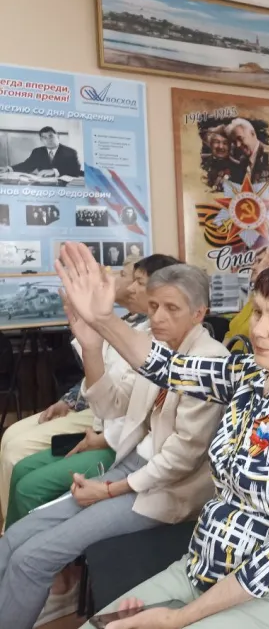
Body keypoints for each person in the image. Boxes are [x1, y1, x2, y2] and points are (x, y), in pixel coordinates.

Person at [52, 243, 269, 629]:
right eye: (258, 311)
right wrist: (103, 319)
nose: (258, 328)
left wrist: (179, 618)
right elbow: (166, 367)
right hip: (205, 568)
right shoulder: (250, 375)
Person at [0, 261, 228, 629]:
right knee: (14, 538)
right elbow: (112, 405)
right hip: (130, 468)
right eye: (153, 306)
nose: (158, 317)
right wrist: (91, 347)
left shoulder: (211, 361)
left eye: (172, 308)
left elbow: (179, 461)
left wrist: (107, 490)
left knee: (33, 557)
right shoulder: (155, 350)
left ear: (199, 313)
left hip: (163, 489)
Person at [0, 254, 178, 525]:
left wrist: (104, 439)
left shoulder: (168, 347)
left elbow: (145, 420)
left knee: (26, 480)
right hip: (105, 427)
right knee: (22, 462)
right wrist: (89, 343)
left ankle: (25, 549)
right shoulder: (137, 328)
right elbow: (107, 396)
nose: (128, 286)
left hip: (124, 449)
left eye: (136, 281)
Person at [224, 245, 269, 350]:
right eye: (254, 261)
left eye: (259, 261)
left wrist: (267, 274)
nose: (253, 267)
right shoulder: (254, 297)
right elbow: (231, 333)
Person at [0, 126, 82, 178]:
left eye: (51, 136)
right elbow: (27, 165)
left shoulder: (70, 152)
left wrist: (54, 171)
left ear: (58, 137)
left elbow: (76, 170)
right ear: (41, 140)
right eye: (44, 138)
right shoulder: (37, 151)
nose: (48, 140)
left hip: (63, 187)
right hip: (42, 186)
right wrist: (9, 168)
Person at [227, 118, 269, 184]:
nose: (238, 145)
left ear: (252, 133)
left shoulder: (268, 158)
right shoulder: (244, 161)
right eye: (234, 141)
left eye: (240, 138)